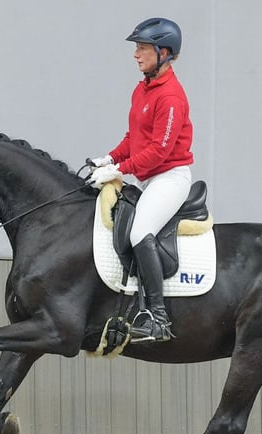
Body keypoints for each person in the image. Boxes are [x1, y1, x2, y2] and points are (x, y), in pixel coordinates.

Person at [89, 17, 194, 343]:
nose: (136, 54)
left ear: (164, 52)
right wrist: (109, 158)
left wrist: (120, 170)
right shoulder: (143, 88)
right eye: (137, 48)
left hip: (171, 177)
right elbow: (135, 138)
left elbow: (159, 152)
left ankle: (158, 318)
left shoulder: (171, 97)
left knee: (139, 231)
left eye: (142, 48)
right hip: (152, 178)